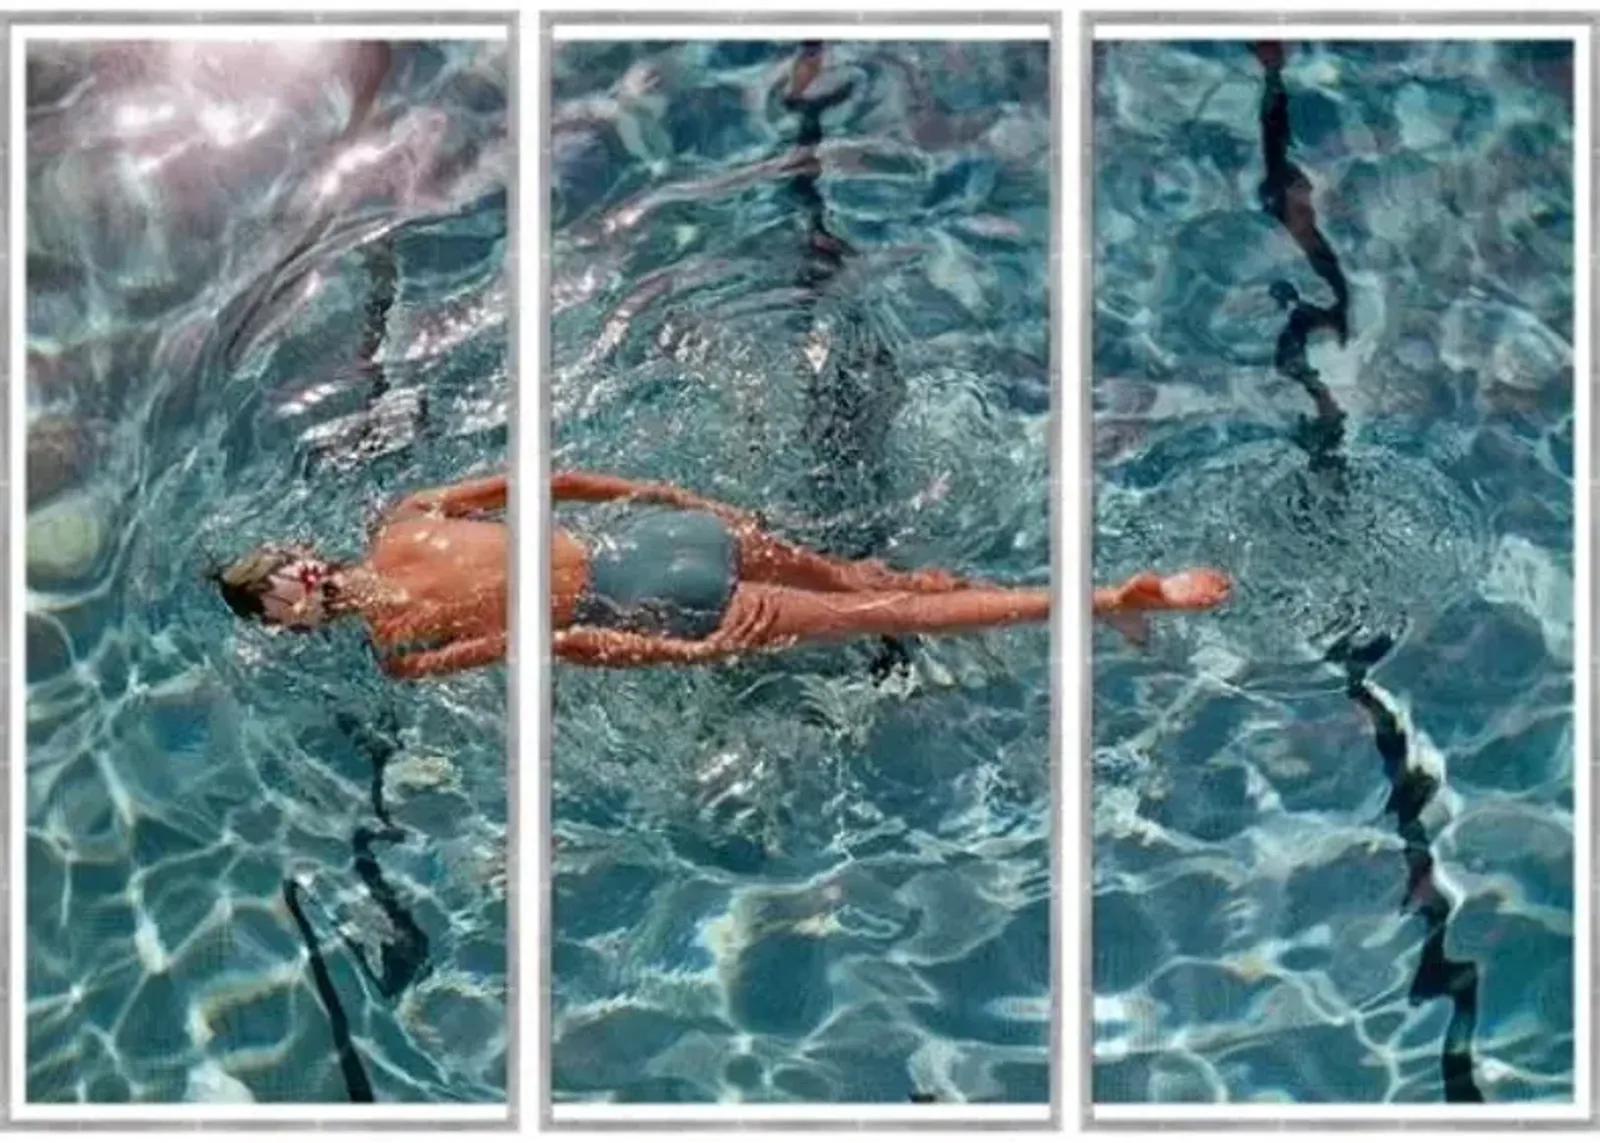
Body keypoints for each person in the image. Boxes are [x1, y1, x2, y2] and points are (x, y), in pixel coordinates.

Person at [551, 471, 1229, 667]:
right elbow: (561, 478)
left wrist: (681, 652)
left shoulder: (438, 624)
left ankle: (1105, 599)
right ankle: (1099, 596)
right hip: (674, 535)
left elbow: (557, 644)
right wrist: (696, 504)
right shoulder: (437, 513)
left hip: (659, 602)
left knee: (901, 617)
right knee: (868, 581)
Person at [212, 473, 508, 679]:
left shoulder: (399, 656)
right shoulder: (407, 517)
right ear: (302, 549)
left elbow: (525, 646)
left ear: (298, 629)